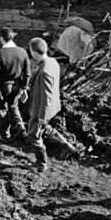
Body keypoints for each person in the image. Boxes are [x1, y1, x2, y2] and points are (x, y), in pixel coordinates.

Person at [26, 37, 74, 171]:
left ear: (34, 52)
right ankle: (66, 146)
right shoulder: (53, 62)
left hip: (42, 108)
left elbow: (46, 96)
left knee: (34, 134)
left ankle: (41, 163)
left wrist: (42, 116)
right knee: (45, 128)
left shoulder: (45, 71)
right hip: (53, 105)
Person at [0, 28, 29, 138]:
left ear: (2, 39)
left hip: (5, 85)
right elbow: (27, 73)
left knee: (6, 107)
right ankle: (5, 134)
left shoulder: (0, 53)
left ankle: (21, 130)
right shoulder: (22, 52)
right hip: (18, 85)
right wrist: (24, 88)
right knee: (11, 107)